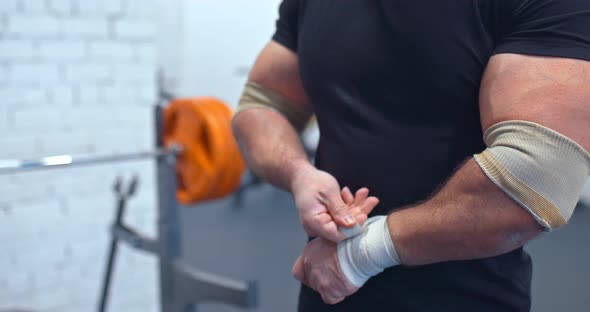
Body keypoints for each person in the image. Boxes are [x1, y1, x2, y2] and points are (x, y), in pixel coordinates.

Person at [232, 0, 590, 311]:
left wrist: (360, 255)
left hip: (461, 298)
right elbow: (265, 103)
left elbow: (538, 173)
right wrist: (299, 174)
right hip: (328, 286)